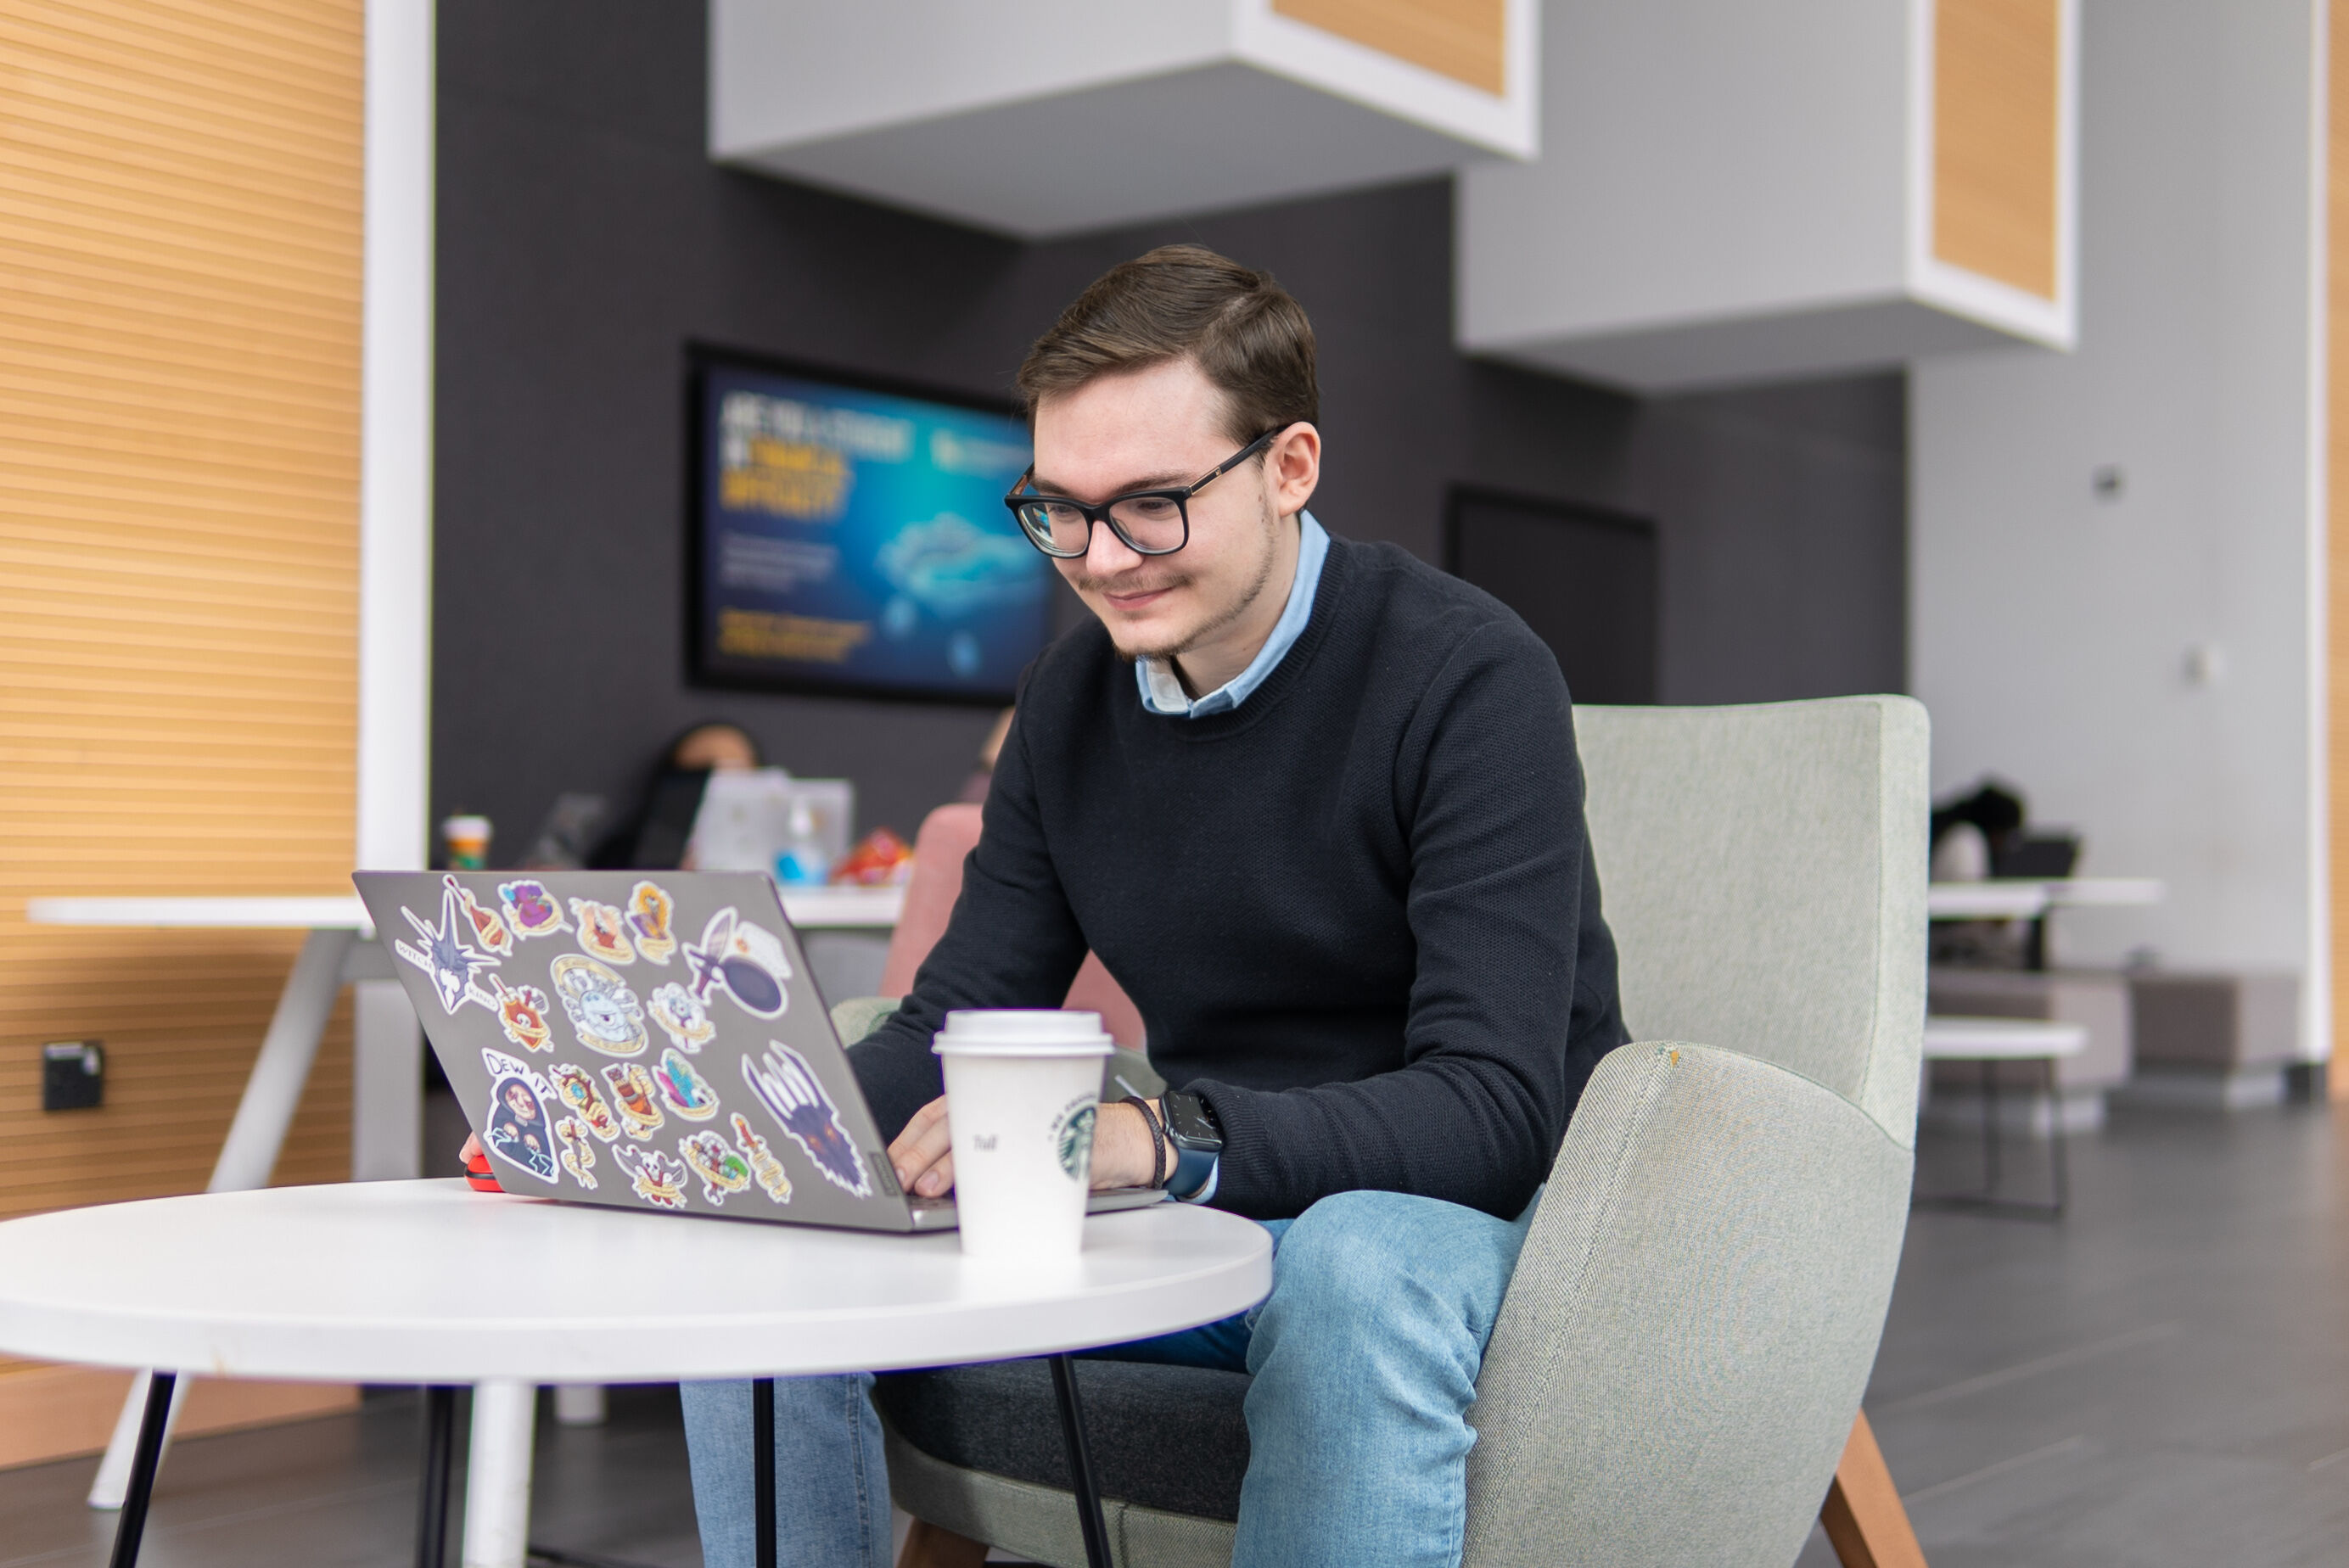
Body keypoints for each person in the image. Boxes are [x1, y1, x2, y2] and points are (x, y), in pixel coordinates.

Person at [679, 245, 1629, 1568]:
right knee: (774, 1244)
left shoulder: (1468, 677)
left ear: (1290, 468)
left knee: (1350, 1262)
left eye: (1151, 505)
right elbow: (954, 1021)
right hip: (1215, 1215)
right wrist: (726, 1129)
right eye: (1057, 510)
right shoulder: (1068, 707)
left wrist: (1159, 1137)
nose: (1099, 558)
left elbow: (1492, 1109)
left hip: (1457, 1219)